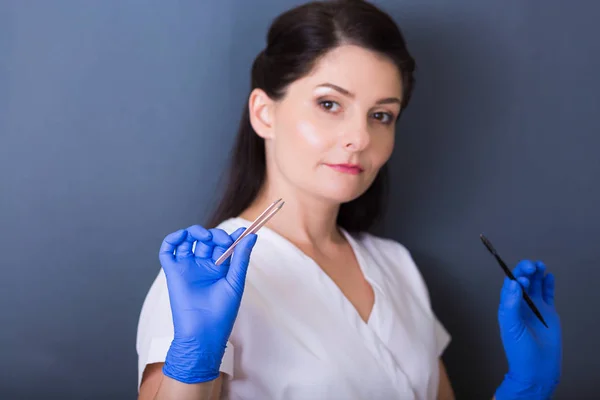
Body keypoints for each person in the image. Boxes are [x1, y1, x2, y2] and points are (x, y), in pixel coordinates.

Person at [136, 1, 562, 399]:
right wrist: (192, 361)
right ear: (264, 113)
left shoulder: (395, 266)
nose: (360, 138)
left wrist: (523, 388)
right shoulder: (206, 277)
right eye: (329, 103)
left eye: (381, 115)